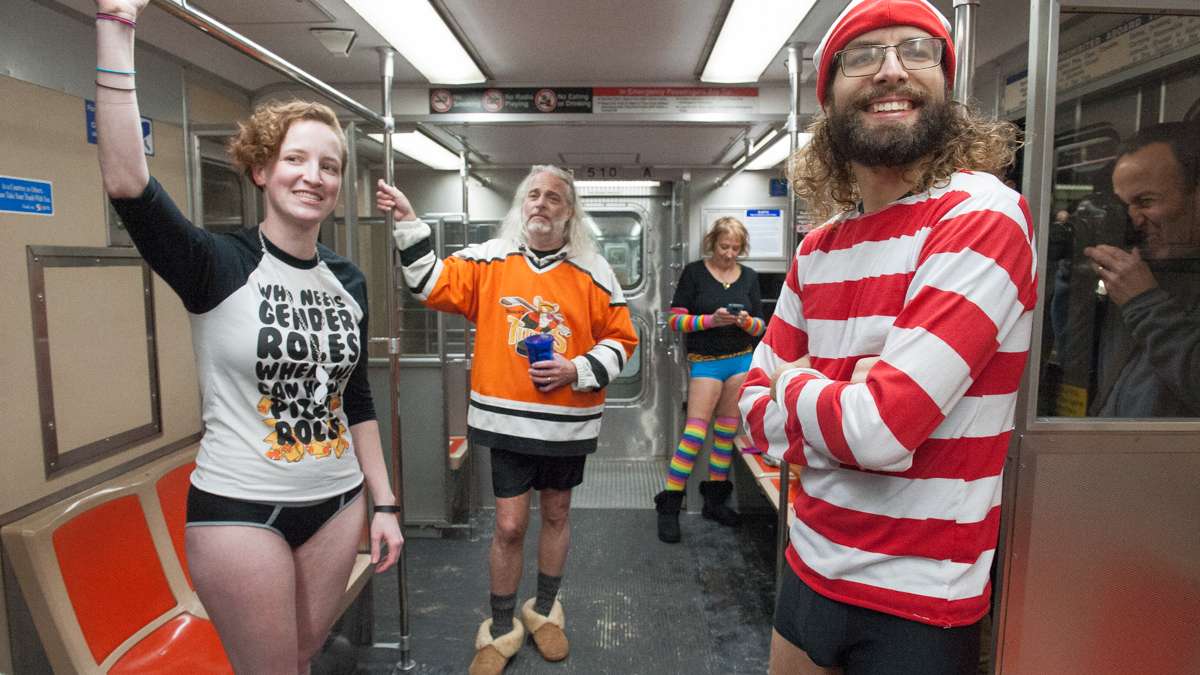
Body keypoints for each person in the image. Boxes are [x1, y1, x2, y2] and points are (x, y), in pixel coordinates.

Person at [93, 2, 402, 671]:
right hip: (239, 509)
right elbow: (126, 180)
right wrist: (116, 27)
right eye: (295, 158)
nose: (313, 176)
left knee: (298, 656)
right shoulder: (216, 265)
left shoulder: (348, 281)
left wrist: (385, 502)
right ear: (261, 170)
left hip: (338, 502)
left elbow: (358, 399)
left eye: (328, 165)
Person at [736, 1, 1037, 673]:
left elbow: (880, 429)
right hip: (809, 563)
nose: (891, 70)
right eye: (863, 56)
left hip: (920, 600)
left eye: (916, 51)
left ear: (945, 85)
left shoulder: (983, 216)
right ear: (829, 97)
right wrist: (839, 394)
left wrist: (793, 379)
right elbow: (752, 420)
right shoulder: (819, 248)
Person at [376, 166, 637, 675]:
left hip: (568, 422)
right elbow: (429, 284)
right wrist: (410, 223)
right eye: (534, 195)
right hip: (508, 422)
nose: (542, 203)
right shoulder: (488, 261)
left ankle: (543, 610)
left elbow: (623, 339)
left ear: (570, 213)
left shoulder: (595, 271)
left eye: (555, 198)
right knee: (511, 525)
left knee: (558, 515)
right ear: (522, 206)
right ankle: (499, 627)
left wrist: (577, 368)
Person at [653, 216, 765, 543]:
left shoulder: (750, 277)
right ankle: (670, 505)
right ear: (711, 243)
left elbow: (762, 327)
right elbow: (675, 321)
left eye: (735, 248)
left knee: (726, 432)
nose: (729, 254)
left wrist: (745, 322)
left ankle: (715, 502)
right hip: (705, 362)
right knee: (695, 434)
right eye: (723, 246)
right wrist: (710, 321)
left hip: (740, 360)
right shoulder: (694, 273)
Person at [1082, 121, 1200, 416]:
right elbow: (1078, 365)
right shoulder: (1145, 273)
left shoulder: (1143, 294)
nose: (1132, 220)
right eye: (1124, 206)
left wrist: (1144, 303)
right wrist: (1073, 284)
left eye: (1145, 201)